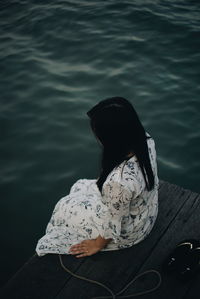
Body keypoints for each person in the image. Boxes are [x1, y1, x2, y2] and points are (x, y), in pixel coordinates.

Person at [36, 97, 159, 258]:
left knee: (63, 209)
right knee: (80, 187)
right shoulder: (145, 139)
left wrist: (97, 244)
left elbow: (114, 224)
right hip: (147, 212)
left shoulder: (119, 183)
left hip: (132, 231)